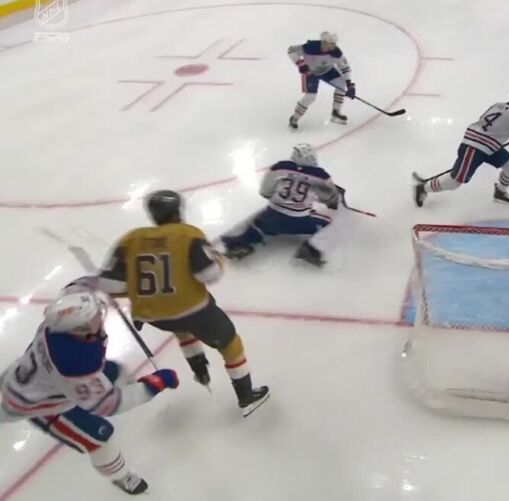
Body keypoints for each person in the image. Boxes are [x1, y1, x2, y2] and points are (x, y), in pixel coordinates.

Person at [97, 190, 270, 416]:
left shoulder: (131, 239)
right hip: (193, 310)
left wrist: (141, 289)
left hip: (152, 316)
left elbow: (109, 285)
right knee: (231, 344)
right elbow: (208, 274)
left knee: (181, 329)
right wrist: (217, 259)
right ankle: (246, 396)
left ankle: (200, 370)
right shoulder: (188, 234)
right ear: (178, 210)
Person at [0, 284, 179, 495]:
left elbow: (73, 291)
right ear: (80, 329)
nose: (99, 316)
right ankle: (121, 476)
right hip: (42, 405)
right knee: (99, 439)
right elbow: (108, 404)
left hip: (28, 377)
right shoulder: (75, 361)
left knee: (116, 370)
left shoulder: (57, 323)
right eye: (94, 317)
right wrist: (153, 385)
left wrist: (101, 284)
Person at [412, 88, 509, 207]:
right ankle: (423, 188)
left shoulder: (498, 105)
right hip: (475, 147)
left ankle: (500, 192)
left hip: (488, 145)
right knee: (455, 182)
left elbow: (486, 120)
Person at [221, 143, 343, 267]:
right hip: (301, 221)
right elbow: (331, 199)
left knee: (256, 221)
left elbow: (265, 191)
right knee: (330, 224)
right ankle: (312, 249)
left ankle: (237, 242)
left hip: (272, 219)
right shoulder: (320, 176)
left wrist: (276, 198)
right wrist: (330, 201)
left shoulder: (279, 167)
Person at [287, 31, 356, 129]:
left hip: (328, 71)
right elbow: (291, 51)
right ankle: (295, 118)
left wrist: (349, 84)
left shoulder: (336, 53)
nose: (332, 46)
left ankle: (336, 112)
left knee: (341, 83)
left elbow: (345, 68)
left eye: (334, 43)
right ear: (323, 42)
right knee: (311, 97)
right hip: (311, 73)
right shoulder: (310, 47)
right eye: (329, 43)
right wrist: (300, 64)